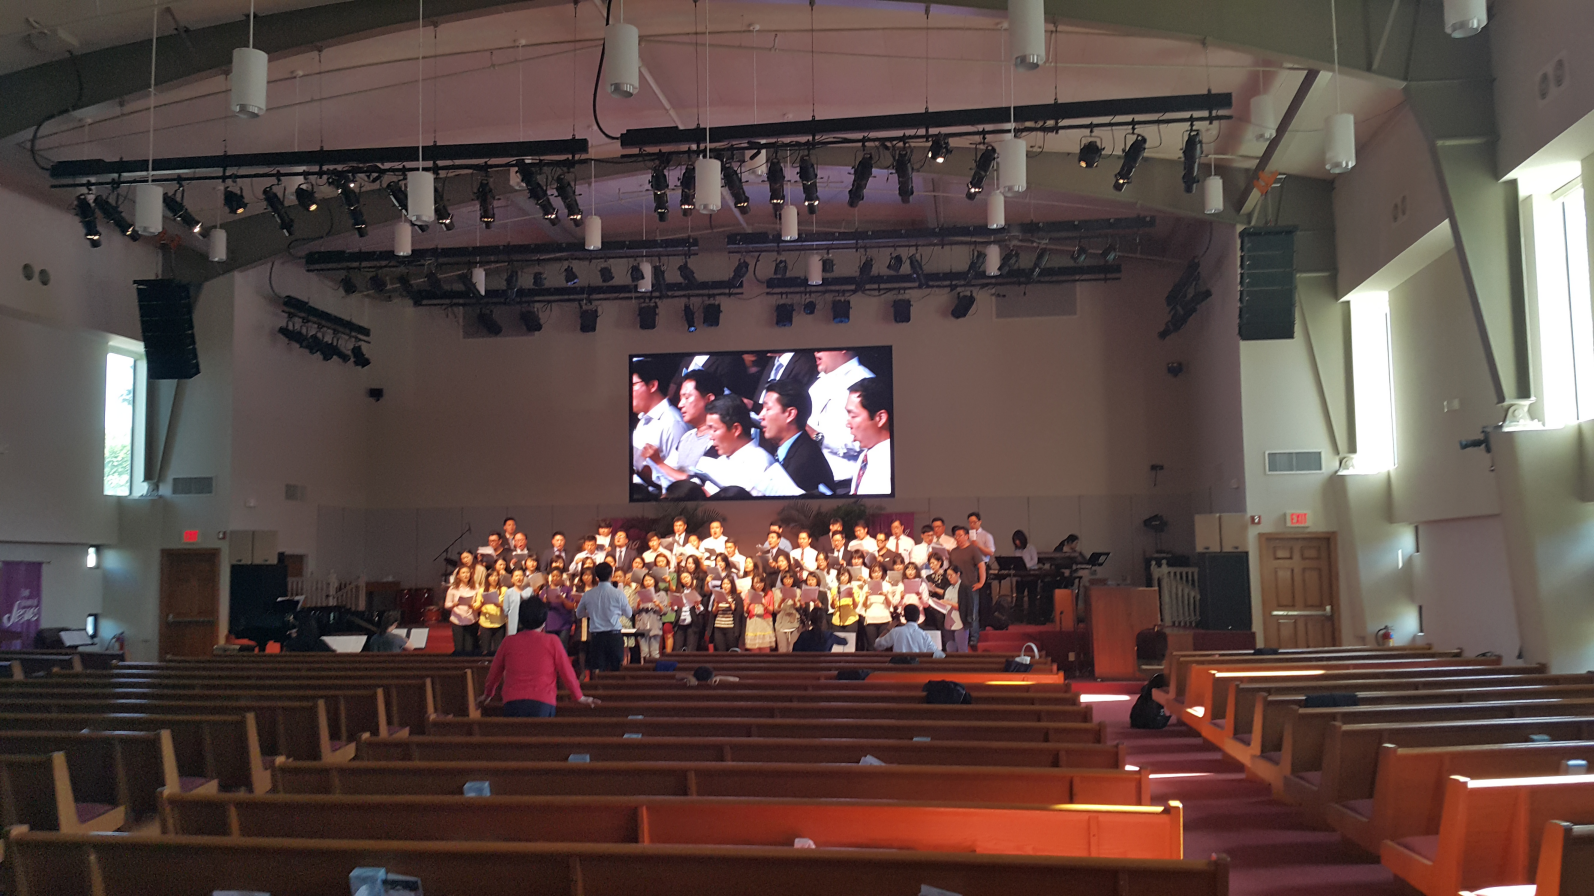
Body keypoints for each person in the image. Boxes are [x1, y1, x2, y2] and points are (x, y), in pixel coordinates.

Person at [478, 600, 601, 717]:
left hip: (513, 701)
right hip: (543, 701)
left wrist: (488, 694)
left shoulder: (508, 642)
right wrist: (579, 696)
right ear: (544, 620)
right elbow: (566, 671)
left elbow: (494, 672)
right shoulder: (552, 641)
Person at [693, 396, 804, 497]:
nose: (710, 437)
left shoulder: (761, 464)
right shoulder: (717, 460)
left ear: (736, 429)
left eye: (714, 430)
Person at [643, 369, 724, 489]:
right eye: (681, 398)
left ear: (709, 399)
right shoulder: (687, 436)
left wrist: (658, 462)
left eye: (687, 397)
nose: (680, 404)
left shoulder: (718, 439)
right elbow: (666, 474)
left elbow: (698, 483)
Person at [807, 350, 875, 483]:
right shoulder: (818, 383)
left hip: (845, 484)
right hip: (816, 481)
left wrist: (817, 436)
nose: (816, 352)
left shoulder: (864, 380)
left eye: (821, 348)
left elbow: (867, 439)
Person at [758, 380, 834, 494]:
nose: (760, 416)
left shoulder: (805, 462)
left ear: (790, 414)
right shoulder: (791, 450)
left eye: (768, 409)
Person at [632, 358, 689, 487]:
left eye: (633, 385)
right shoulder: (643, 420)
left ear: (652, 385)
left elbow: (677, 480)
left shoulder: (673, 423)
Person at [575, 562, 631, 672]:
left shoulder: (588, 594)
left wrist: (591, 613)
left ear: (596, 577)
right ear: (611, 575)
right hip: (614, 635)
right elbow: (628, 614)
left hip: (597, 637)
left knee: (598, 670)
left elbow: (579, 614)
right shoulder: (618, 593)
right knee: (616, 670)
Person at [844, 377, 892, 495]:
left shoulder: (892, 465)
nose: (848, 424)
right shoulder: (865, 457)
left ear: (880, 418)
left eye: (853, 416)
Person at [947, 525, 987, 647]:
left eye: (960, 536)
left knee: (972, 613)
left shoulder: (973, 549)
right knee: (959, 612)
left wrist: (981, 582)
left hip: (970, 585)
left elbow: (981, 566)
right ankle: (962, 636)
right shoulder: (953, 551)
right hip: (957, 587)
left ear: (967, 536)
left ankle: (974, 637)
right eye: (956, 536)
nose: (958, 538)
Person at [928, 565, 970, 652]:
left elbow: (966, 606)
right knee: (950, 649)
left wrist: (949, 603)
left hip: (960, 622)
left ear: (958, 574)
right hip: (948, 622)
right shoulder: (948, 588)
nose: (949, 578)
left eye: (951, 575)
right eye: (948, 576)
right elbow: (944, 601)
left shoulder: (964, 588)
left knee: (962, 650)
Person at [871, 604, 939, 653]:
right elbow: (935, 652)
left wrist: (888, 629)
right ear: (918, 618)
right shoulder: (924, 635)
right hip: (917, 668)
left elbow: (877, 645)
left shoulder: (896, 632)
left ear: (905, 617)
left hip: (899, 667)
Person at [444, 565, 480, 655]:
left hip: (471, 620)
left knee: (470, 648)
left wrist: (474, 605)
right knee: (459, 647)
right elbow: (446, 605)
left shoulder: (476, 587)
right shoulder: (453, 589)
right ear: (458, 576)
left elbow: (479, 602)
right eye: (463, 573)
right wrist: (454, 604)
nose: (466, 575)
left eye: (467, 572)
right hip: (457, 620)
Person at [539, 568, 575, 654]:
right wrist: (544, 601)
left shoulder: (567, 590)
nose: (555, 578)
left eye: (557, 576)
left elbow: (571, 606)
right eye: (553, 576)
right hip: (550, 624)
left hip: (564, 624)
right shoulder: (545, 590)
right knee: (549, 649)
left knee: (562, 648)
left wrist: (563, 599)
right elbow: (540, 607)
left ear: (561, 577)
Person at [632, 572, 665, 662]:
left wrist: (659, 605)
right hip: (642, 626)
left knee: (655, 653)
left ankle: (655, 671)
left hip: (655, 626)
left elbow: (665, 611)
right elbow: (634, 611)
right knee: (644, 652)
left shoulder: (661, 594)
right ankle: (644, 670)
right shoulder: (638, 594)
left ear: (654, 581)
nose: (648, 582)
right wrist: (638, 604)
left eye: (650, 580)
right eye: (646, 580)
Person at [859, 565, 894, 650]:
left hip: (884, 618)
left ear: (882, 573)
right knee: (872, 645)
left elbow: (890, 605)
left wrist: (886, 595)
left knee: (883, 645)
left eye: (879, 572)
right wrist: (866, 596)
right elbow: (864, 605)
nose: (877, 574)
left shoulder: (887, 585)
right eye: (874, 572)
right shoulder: (866, 586)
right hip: (871, 619)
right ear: (870, 574)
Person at [476, 570, 508, 655]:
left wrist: (499, 604)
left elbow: (507, 606)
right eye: (491, 576)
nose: (494, 578)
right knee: (485, 649)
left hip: (499, 623)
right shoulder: (482, 590)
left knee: (498, 650)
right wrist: (482, 604)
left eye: (496, 576)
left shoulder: (503, 590)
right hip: (485, 623)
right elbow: (477, 608)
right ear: (487, 578)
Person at [708, 580, 745, 652]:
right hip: (718, 626)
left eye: (727, 584)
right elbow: (714, 612)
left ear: (732, 585)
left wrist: (730, 603)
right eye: (724, 584)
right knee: (720, 650)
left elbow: (738, 612)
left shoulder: (736, 597)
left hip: (730, 627)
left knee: (731, 650)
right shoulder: (717, 596)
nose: (725, 586)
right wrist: (716, 604)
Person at [674, 573, 707, 651]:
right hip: (680, 621)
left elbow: (702, 611)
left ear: (691, 578)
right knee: (677, 648)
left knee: (691, 648)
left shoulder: (697, 591)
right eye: (683, 578)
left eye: (687, 577)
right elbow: (675, 608)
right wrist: (673, 606)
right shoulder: (679, 592)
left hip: (692, 622)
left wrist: (698, 606)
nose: (686, 580)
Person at [742, 574, 776, 652]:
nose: (758, 585)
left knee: (765, 649)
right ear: (752, 583)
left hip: (765, 622)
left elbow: (771, 611)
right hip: (753, 622)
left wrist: (764, 604)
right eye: (756, 583)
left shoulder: (769, 593)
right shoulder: (749, 594)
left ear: (764, 583)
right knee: (754, 650)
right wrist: (748, 604)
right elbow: (746, 611)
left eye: (760, 583)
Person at [503, 568, 538, 636]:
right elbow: (506, 610)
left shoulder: (529, 591)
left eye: (521, 576)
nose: (519, 578)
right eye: (516, 576)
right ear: (512, 579)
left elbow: (533, 607)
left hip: (527, 624)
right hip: (514, 625)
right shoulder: (508, 592)